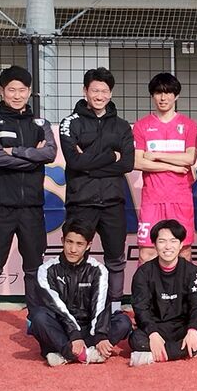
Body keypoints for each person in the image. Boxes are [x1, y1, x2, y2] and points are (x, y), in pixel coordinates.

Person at [0, 65, 56, 346]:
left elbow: (50, 153)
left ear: (30, 92)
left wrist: (17, 152)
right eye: (12, 90)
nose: (17, 95)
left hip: (32, 207)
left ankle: (35, 319)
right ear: (2, 91)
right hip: (0, 207)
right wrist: (32, 157)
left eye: (22, 90)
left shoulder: (40, 123)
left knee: (34, 267)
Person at [59, 67, 135, 314]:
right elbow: (74, 161)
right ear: (85, 91)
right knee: (75, 256)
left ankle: (114, 309)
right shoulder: (70, 122)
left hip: (113, 202)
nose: (99, 96)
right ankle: (74, 308)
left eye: (104, 91)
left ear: (110, 93)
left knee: (116, 259)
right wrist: (110, 157)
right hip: (81, 202)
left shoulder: (122, 126)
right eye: (94, 90)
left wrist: (89, 166)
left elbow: (127, 163)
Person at [28, 220, 132, 366]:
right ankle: (86, 354)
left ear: (88, 245)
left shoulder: (98, 270)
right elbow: (55, 306)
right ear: (62, 241)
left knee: (123, 322)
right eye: (69, 242)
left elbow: (100, 305)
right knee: (39, 317)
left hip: (89, 329)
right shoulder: (46, 270)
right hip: (61, 329)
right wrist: (74, 334)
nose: (73, 249)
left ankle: (66, 354)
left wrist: (100, 334)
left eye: (79, 244)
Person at [128, 219, 197, 365]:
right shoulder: (143, 273)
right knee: (135, 339)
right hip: (156, 328)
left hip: (183, 328)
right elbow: (141, 308)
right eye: (162, 241)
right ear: (154, 244)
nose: (168, 246)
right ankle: (194, 350)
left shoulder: (192, 271)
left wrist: (193, 329)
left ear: (181, 244)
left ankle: (154, 356)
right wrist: (152, 333)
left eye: (173, 241)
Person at [132, 72, 197, 264]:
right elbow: (138, 162)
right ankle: (147, 286)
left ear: (176, 96)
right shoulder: (141, 126)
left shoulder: (188, 125)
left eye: (168, 93)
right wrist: (173, 167)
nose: (163, 98)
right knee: (147, 253)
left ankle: (183, 286)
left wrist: (157, 155)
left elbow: (190, 158)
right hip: (152, 200)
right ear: (152, 95)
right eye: (158, 93)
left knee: (183, 251)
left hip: (180, 199)